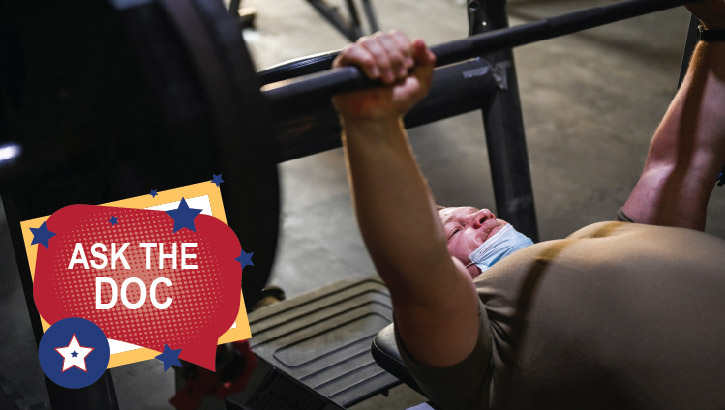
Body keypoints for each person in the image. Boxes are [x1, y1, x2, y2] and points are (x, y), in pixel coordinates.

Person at [332, 1, 725, 408]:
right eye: (454, 230)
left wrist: (715, 27)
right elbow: (417, 266)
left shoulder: (613, 240)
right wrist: (373, 124)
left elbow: (682, 161)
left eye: (471, 211)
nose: (479, 216)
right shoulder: (484, 358)